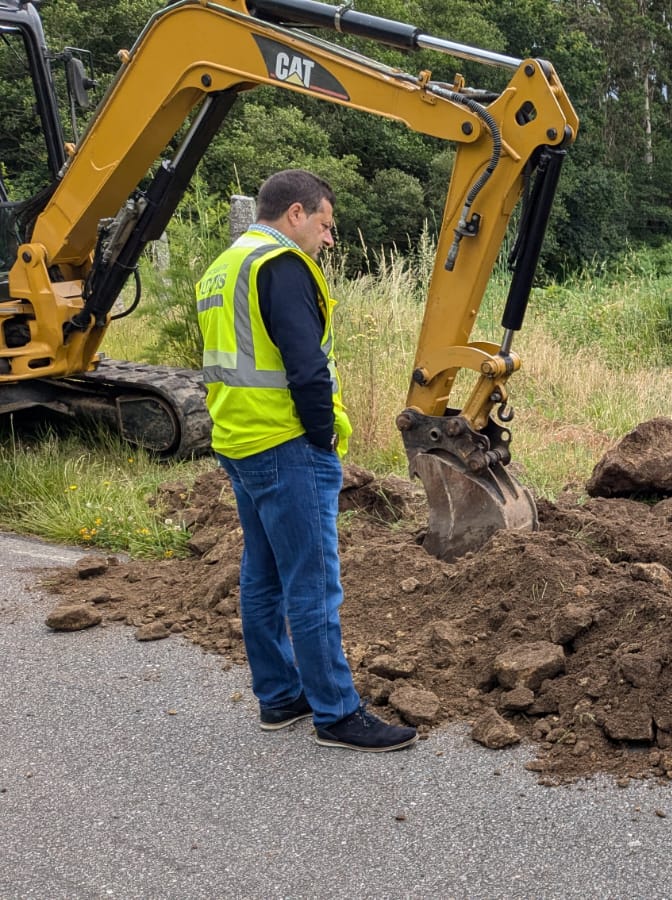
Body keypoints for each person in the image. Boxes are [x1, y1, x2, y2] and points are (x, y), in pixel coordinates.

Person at [195, 169, 416, 753]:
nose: (330, 238)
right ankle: (336, 713)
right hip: (287, 445)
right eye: (326, 224)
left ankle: (279, 696)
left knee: (263, 574)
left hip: (238, 441)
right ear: (296, 213)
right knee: (313, 582)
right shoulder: (283, 266)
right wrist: (323, 439)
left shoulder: (224, 267)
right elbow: (307, 367)